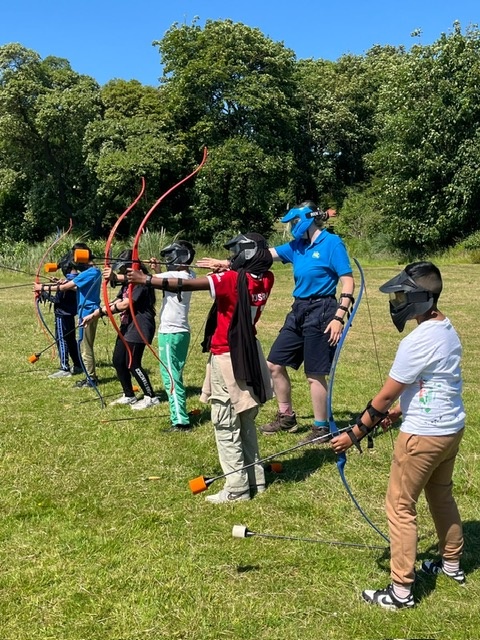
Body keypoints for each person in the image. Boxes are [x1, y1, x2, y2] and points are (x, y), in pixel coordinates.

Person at [329, 261, 466, 609]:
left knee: (400, 507)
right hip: (450, 430)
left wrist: (354, 434)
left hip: (423, 436)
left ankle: (400, 592)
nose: (397, 302)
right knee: (441, 496)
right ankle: (451, 565)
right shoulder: (446, 327)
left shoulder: (416, 341)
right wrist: (399, 412)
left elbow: (385, 395)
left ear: (421, 298)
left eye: (402, 296)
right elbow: (434, 381)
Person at [127, 233, 274, 503]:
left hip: (228, 356)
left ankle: (237, 488)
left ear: (247, 254)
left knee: (225, 422)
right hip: (249, 352)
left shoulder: (231, 280)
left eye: (235, 253)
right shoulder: (266, 278)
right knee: (245, 419)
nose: (231, 257)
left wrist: (146, 279)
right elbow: (241, 274)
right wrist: (227, 267)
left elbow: (186, 284)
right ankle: (256, 479)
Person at [263, 201, 355, 443]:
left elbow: (347, 281)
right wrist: (231, 261)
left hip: (323, 310)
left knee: (315, 373)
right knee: (274, 364)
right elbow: (267, 255)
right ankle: (286, 417)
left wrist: (339, 317)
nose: (292, 227)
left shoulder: (332, 243)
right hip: (299, 310)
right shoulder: (297, 246)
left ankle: (321, 428)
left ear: (307, 219)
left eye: (294, 222)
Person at [83, 250, 159, 410]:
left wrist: (100, 312)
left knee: (133, 363)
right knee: (118, 360)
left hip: (140, 325)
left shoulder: (141, 280)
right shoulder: (129, 280)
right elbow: (119, 299)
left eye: (124, 267)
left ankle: (151, 396)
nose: (122, 271)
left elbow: (125, 304)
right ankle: (129, 395)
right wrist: (98, 311)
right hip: (127, 325)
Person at [34, 242, 102, 387]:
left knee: (86, 348)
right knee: (84, 345)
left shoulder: (89, 273)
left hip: (87, 312)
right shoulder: (95, 271)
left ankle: (91, 379)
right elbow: (77, 287)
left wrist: (42, 287)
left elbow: (66, 287)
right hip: (89, 310)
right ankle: (89, 377)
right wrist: (62, 282)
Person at [152, 240, 196, 430]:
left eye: (170, 256)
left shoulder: (174, 275)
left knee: (171, 377)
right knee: (174, 374)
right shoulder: (190, 274)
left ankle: (180, 420)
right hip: (181, 332)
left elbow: (146, 279)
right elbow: (162, 280)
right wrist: (156, 269)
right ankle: (179, 414)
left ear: (181, 257)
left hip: (170, 333)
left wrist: (117, 275)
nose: (168, 260)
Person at [38, 254, 83, 379]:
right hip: (69, 314)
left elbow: (58, 299)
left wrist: (43, 292)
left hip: (62, 314)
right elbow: (66, 287)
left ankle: (64, 368)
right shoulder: (77, 278)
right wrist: (57, 282)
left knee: (61, 339)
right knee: (70, 340)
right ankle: (78, 365)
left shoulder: (70, 282)